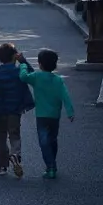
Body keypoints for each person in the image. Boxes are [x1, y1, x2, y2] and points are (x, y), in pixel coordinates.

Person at [20, 48, 75, 179]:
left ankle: (51, 166)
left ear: (39, 64)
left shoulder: (36, 77)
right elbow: (65, 96)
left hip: (41, 116)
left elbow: (23, 77)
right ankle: (51, 163)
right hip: (55, 116)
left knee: (43, 141)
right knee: (52, 139)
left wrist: (22, 64)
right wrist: (70, 111)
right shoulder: (58, 80)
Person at [0, 43, 33, 178]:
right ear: (14, 57)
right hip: (15, 110)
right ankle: (15, 155)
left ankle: (2, 166)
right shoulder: (19, 72)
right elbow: (32, 74)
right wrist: (23, 61)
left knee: (1, 136)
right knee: (14, 134)